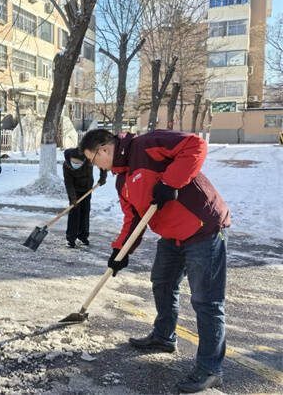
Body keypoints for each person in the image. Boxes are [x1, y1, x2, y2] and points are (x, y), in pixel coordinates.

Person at [79, 129, 230, 393]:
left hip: (203, 228)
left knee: (206, 301)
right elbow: (134, 219)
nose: (96, 166)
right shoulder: (122, 179)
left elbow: (196, 146)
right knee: (162, 282)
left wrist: (170, 182)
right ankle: (163, 337)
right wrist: (120, 251)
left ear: (103, 149)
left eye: (93, 160)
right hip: (172, 236)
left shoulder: (146, 145)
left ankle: (210, 369)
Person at [62, 147, 107, 248]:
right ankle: (70, 239)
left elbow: (102, 163)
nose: (76, 165)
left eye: (79, 163)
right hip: (74, 189)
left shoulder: (89, 158)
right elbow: (68, 183)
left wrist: (103, 177)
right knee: (74, 212)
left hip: (87, 188)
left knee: (85, 211)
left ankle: (83, 237)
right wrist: (73, 198)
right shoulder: (66, 165)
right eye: (74, 162)